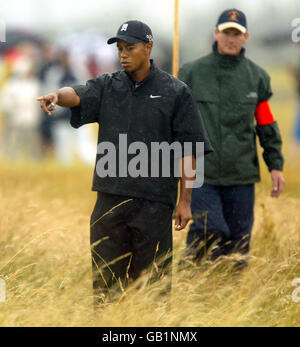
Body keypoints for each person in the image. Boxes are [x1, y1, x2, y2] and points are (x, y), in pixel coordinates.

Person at [37, 20, 212, 304]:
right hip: (110, 204)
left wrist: (185, 200)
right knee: (105, 291)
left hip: (154, 205)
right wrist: (58, 95)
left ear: (148, 48)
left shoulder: (176, 92)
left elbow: (189, 149)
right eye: (119, 48)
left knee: (154, 292)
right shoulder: (108, 85)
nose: (123, 54)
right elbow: (79, 94)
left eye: (129, 48)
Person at [178, 9, 285, 264]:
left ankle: (224, 290)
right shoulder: (192, 72)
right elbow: (176, 121)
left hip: (241, 173)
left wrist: (276, 166)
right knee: (210, 227)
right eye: (226, 32)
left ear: (245, 37)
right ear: (216, 33)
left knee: (239, 243)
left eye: (236, 34)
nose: (230, 38)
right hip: (204, 173)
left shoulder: (257, 77)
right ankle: (189, 273)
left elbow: (266, 124)